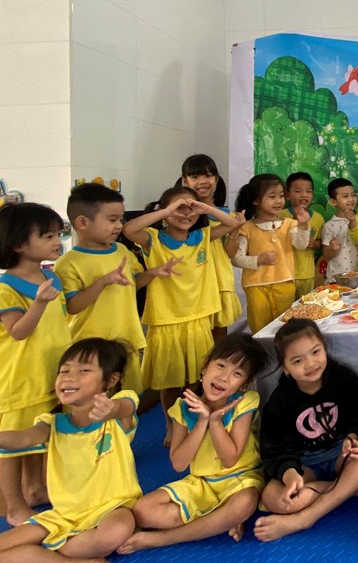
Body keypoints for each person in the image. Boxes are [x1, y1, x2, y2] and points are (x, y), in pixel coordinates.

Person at [0, 338, 140, 563]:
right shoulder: (52, 424)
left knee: (116, 531)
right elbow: (23, 438)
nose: (69, 377)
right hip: (63, 517)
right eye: (64, 371)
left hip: (112, 508)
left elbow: (124, 407)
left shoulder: (117, 418)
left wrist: (112, 408)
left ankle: (48, 553)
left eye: (84, 371)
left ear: (111, 380)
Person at [118, 334, 270, 552]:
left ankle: (163, 539)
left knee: (245, 502)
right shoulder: (182, 408)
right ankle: (222, 519)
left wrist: (216, 422)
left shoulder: (245, 402)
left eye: (237, 374)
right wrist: (202, 421)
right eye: (221, 365)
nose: (224, 377)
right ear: (206, 366)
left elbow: (229, 459)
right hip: (201, 482)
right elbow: (179, 464)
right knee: (143, 511)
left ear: (243, 384)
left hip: (241, 479)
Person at [0, 202, 73, 526]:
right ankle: (14, 506)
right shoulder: (4, 289)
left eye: (57, 234)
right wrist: (39, 303)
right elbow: (18, 331)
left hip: (47, 374)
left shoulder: (50, 276)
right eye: (47, 236)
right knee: (10, 448)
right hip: (17, 382)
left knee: (40, 437)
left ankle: (36, 489)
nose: (57, 241)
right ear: (19, 244)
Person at [123, 186, 241, 446]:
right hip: (167, 321)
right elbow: (129, 229)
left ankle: (190, 419)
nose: (186, 213)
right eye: (179, 208)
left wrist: (204, 208)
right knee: (169, 382)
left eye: (191, 208)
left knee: (198, 377)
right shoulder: (153, 239)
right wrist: (166, 211)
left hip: (198, 319)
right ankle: (169, 423)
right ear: (165, 211)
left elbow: (233, 224)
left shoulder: (202, 236)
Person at [254, 318, 358, 541]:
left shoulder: (343, 378)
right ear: (285, 368)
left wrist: (352, 437)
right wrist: (290, 474)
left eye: (315, 352)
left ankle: (306, 518)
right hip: (305, 465)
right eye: (297, 360)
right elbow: (273, 451)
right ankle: (356, 487)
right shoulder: (279, 402)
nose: (310, 364)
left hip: (341, 455)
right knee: (273, 498)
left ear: (325, 348)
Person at [56, 183, 177, 394]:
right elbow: (73, 306)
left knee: (127, 398)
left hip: (126, 340)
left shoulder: (120, 250)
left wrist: (153, 273)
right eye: (112, 220)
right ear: (82, 222)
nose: (119, 226)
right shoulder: (68, 263)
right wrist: (102, 282)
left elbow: (132, 284)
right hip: (91, 348)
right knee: (91, 402)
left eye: (121, 220)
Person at [230, 174, 312, 330]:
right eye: (272, 196)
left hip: (285, 283)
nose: (279, 201)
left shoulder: (290, 224)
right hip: (255, 286)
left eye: (281, 196)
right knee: (260, 329)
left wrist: (303, 226)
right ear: (256, 200)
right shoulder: (246, 227)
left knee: (284, 328)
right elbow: (236, 258)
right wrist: (258, 260)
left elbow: (301, 245)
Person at [180, 154, 242, 340]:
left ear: (216, 179)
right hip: (192, 285)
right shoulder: (181, 215)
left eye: (208, 175)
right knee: (195, 338)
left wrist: (235, 230)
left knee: (218, 338)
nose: (202, 181)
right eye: (195, 177)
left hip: (219, 282)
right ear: (184, 181)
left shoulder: (227, 215)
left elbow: (230, 253)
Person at [284, 172, 325, 299]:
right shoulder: (281, 216)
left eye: (308, 191)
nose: (304, 195)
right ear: (287, 195)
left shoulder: (318, 218)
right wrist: (295, 220)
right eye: (298, 191)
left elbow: (321, 243)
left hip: (308, 274)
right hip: (285, 275)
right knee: (286, 307)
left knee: (306, 305)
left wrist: (315, 244)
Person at [321, 177, 358, 282]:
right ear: (333, 201)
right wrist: (332, 248)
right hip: (336, 279)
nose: (351, 199)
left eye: (353, 195)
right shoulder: (329, 226)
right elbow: (327, 255)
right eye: (345, 196)